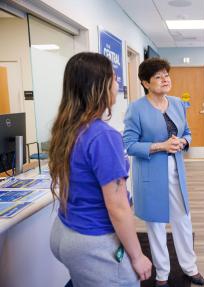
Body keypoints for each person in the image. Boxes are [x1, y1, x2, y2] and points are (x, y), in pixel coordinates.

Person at [49, 52, 152, 286]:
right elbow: (117, 207)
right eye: (114, 79)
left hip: (64, 231)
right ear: (99, 86)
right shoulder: (103, 137)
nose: (118, 85)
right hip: (93, 241)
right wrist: (137, 257)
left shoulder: (67, 128)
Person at [123, 58, 204, 287]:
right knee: (156, 225)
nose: (165, 80)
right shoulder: (136, 108)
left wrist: (183, 142)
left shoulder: (178, 103)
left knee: (183, 220)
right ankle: (161, 274)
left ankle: (190, 267)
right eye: (158, 77)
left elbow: (187, 132)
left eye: (166, 75)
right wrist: (161, 146)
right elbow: (129, 144)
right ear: (146, 83)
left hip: (176, 170)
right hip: (151, 172)